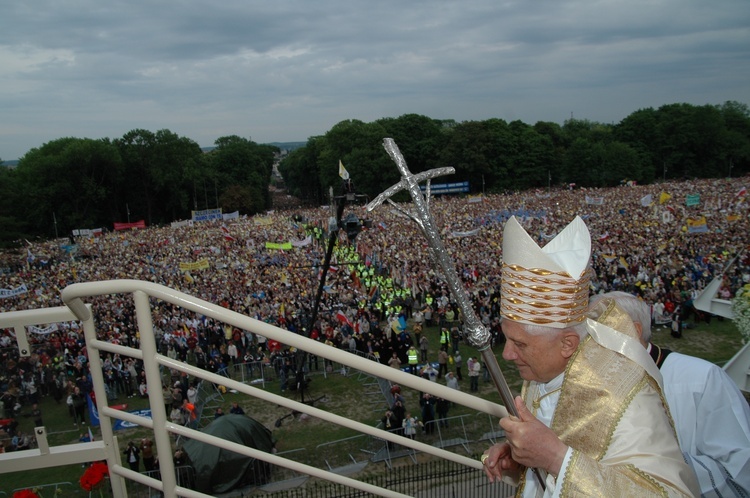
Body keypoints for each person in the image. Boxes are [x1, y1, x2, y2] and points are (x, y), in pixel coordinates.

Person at [481, 216, 698, 497]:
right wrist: (522, 462)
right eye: (507, 338)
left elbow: (672, 493)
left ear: (568, 344)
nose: (508, 354)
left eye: (520, 344)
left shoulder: (625, 398)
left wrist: (556, 459)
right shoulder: (543, 372)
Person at [595, 291, 750, 497]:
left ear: (632, 331)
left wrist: (643, 464)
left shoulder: (702, 380)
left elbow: (738, 471)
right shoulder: (595, 381)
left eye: (593, 331)